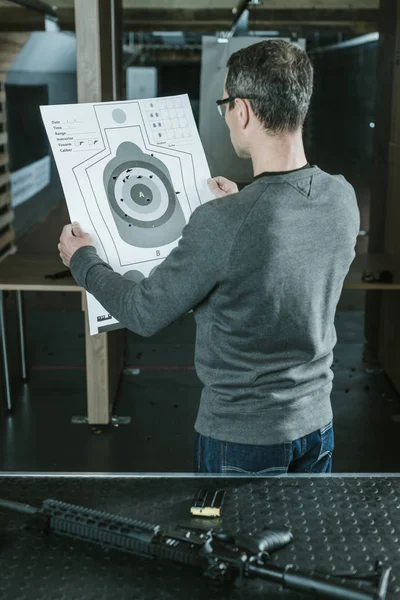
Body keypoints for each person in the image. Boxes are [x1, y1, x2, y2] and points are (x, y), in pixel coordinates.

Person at [59, 40, 360, 475]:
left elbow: (144, 312)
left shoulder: (223, 223)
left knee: (224, 546)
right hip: (317, 428)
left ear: (242, 111)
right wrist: (241, 207)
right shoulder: (342, 197)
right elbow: (287, 255)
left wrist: (82, 260)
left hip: (242, 440)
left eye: (225, 106)